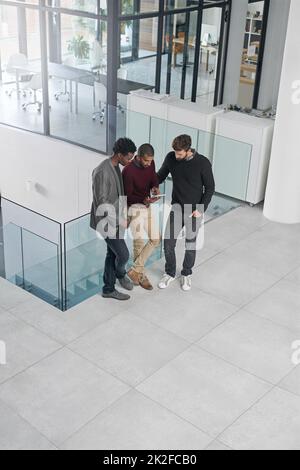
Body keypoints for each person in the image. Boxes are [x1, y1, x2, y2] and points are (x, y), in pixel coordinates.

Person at [157, 134, 215, 292]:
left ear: (188, 150)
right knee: (168, 243)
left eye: (180, 153)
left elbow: (210, 188)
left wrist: (201, 208)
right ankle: (169, 272)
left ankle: (186, 273)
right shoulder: (171, 158)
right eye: (175, 152)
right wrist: (147, 182)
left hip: (194, 211)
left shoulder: (202, 163)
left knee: (190, 245)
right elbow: (160, 176)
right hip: (176, 208)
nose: (177, 156)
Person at [90, 138, 137, 301]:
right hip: (106, 222)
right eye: (129, 157)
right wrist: (120, 220)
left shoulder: (117, 166)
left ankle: (108, 288)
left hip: (116, 219)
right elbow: (102, 203)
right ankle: (120, 274)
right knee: (123, 254)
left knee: (112, 253)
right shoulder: (103, 172)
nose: (130, 161)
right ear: (119, 154)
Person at [123, 143, 161, 291]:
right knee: (138, 243)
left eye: (151, 161)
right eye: (146, 161)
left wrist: (155, 187)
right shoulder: (128, 171)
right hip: (134, 208)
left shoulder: (150, 164)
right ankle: (140, 275)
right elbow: (127, 197)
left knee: (155, 238)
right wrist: (142, 200)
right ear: (138, 157)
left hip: (147, 206)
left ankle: (135, 270)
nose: (149, 164)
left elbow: (153, 178)